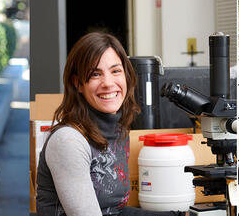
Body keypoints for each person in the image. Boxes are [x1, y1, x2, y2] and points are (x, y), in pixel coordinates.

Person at [36, 32, 185, 216]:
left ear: (126, 76)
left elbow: (116, 211)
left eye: (115, 71)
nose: (108, 83)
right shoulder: (68, 141)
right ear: (78, 84)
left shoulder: (118, 131)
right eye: (95, 74)